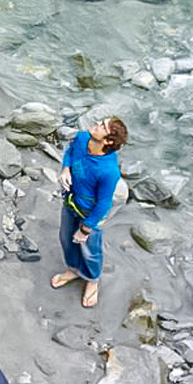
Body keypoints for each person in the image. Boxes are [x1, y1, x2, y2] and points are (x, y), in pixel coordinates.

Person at [47, 117, 126, 308]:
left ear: (107, 141)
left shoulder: (108, 171)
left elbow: (104, 203)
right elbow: (70, 152)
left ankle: (92, 279)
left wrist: (86, 228)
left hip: (91, 213)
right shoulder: (83, 138)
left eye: (102, 126)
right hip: (71, 202)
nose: (96, 124)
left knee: (90, 250)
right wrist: (66, 168)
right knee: (66, 238)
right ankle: (73, 269)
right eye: (100, 121)